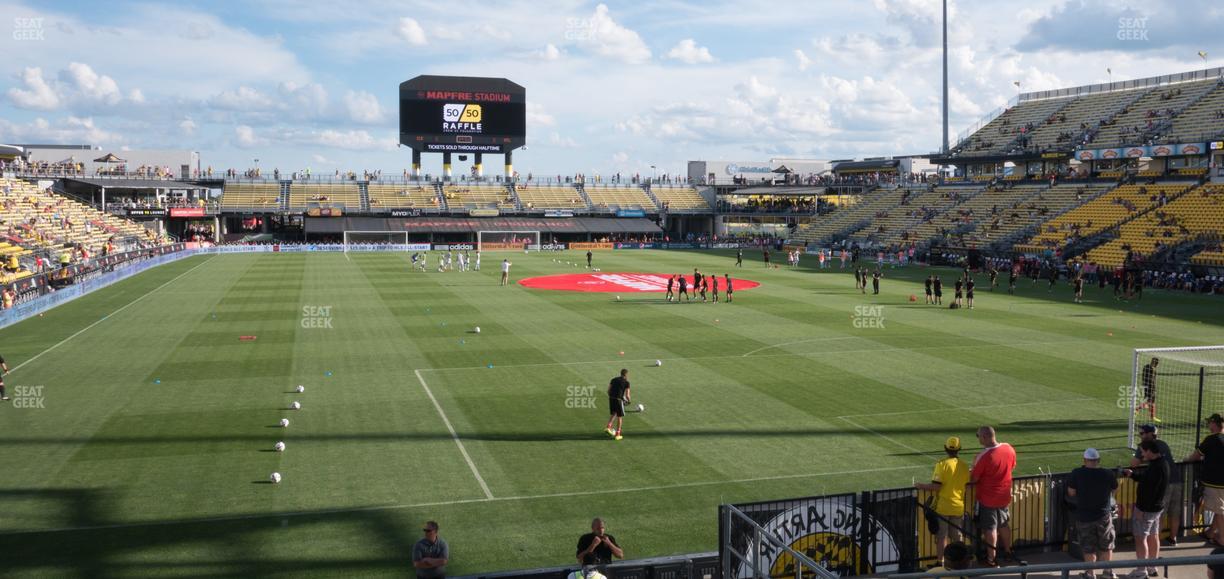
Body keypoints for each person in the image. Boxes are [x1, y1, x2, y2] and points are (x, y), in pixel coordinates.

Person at [914, 436, 970, 567]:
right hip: (958, 506)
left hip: (943, 507)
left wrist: (920, 485)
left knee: (941, 537)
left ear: (945, 449)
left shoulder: (942, 464)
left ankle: (941, 562)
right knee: (957, 536)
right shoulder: (964, 466)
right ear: (959, 449)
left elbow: (936, 486)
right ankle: (960, 561)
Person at [1067, 448, 1118, 579]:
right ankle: (1107, 572)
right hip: (1104, 516)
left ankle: (1090, 574)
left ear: (1084, 460)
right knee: (1106, 545)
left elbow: (1071, 492)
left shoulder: (1077, 473)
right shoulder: (1108, 473)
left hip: (1084, 517)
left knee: (1088, 547)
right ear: (1098, 460)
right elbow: (1114, 489)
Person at [1123, 439, 1170, 578]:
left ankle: (1141, 571)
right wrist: (1133, 475)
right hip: (1156, 508)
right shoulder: (1161, 463)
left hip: (1146, 510)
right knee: (1153, 536)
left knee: (1140, 538)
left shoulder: (1156, 467)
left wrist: (1141, 509)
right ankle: (1151, 567)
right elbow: (1148, 481)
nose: (1142, 454)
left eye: (1143, 451)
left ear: (1149, 451)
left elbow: (1150, 490)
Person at [971, 426, 1016, 566]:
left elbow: (974, 479)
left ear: (984, 437)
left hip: (987, 498)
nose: (978, 438)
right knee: (1003, 525)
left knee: (990, 529)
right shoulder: (1009, 448)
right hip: (1004, 495)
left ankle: (991, 559)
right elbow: (1012, 466)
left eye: (978, 436)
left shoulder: (983, 456)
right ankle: (1008, 551)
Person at [1130, 424, 1182, 546]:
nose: (1140, 436)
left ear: (1149, 434)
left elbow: (1133, 464)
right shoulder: (1162, 443)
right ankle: (1173, 538)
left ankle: (1153, 542)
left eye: (1142, 433)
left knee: (1159, 515)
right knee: (1175, 512)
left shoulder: (1146, 446)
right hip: (1177, 480)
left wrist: (1139, 457)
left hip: (1165, 484)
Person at [1186, 412, 1224, 545]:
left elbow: (1195, 456)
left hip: (1215, 483)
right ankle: (1210, 532)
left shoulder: (1211, 439)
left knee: (1219, 510)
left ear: (1214, 424)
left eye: (1209, 422)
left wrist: (1186, 460)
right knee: (1219, 509)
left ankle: (1222, 539)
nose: (1208, 424)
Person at [604, 369, 630, 440]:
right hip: (618, 400)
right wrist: (629, 401)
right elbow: (627, 395)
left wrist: (611, 396)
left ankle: (608, 427)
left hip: (611, 398)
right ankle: (618, 434)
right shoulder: (627, 382)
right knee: (620, 416)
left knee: (614, 413)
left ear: (621, 373)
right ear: (626, 375)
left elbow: (608, 390)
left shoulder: (613, 379)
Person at [1136, 358, 1159, 423]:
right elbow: (1152, 380)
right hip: (1151, 387)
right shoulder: (1152, 369)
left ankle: (1152, 416)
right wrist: (1153, 388)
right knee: (1149, 401)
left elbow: (1144, 376)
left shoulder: (1146, 366)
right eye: (1157, 363)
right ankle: (1137, 409)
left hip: (1145, 386)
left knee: (1151, 401)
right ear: (1156, 363)